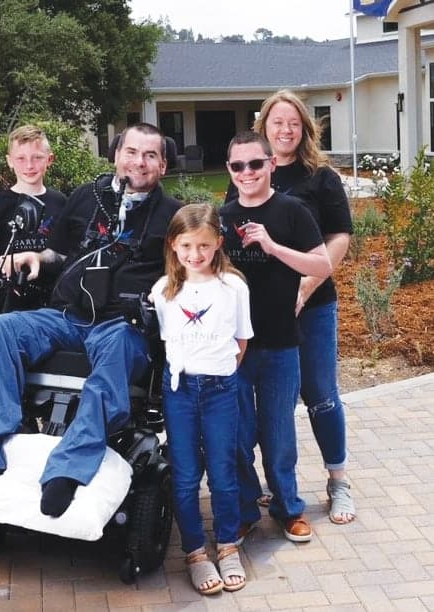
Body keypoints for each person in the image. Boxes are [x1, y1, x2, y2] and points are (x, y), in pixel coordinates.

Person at [0, 123, 181, 517]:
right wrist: (37, 258)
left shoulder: (174, 216)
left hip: (121, 325)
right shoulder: (85, 198)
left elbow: (185, 273)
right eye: (131, 152)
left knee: (121, 345)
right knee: (5, 328)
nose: (138, 162)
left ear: (163, 165)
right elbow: (57, 254)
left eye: (150, 155)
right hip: (68, 317)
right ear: (116, 155)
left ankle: (69, 467)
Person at [226, 89, 355, 525]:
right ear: (264, 130)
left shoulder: (320, 178)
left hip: (313, 304)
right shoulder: (246, 172)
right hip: (261, 315)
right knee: (262, 408)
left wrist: (305, 287)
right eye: (277, 122)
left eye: (293, 123)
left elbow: (339, 238)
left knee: (320, 396)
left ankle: (338, 481)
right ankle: (272, 487)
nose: (285, 130)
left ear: (305, 129)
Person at [220, 131, 332, 543]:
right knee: (236, 434)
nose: (247, 173)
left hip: (282, 343)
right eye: (238, 166)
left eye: (255, 164)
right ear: (230, 171)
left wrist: (272, 245)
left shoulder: (292, 211)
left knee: (279, 434)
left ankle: (288, 508)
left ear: (270, 164)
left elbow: (322, 266)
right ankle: (247, 508)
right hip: (234, 348)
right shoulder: (222, 216)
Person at [149, 203, 253, 595]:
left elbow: (241, 340)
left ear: (218, 244)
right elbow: (165, 342)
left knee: (223, 472)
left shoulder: (233, 286)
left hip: (221, 390)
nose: (196, 255)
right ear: (174, 245)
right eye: (187, 246)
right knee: (186, 474)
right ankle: (195, 551)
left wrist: (220, 371)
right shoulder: (163, 291)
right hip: (180, 391)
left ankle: (227, 545)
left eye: (204, 246)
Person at [0, 125, 66, 322]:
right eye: (21, 158)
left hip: (52, 302)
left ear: (49, 160)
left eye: (37, 157)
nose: (29, 165)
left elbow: (65, 253)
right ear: (10, 161)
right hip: (9, 305)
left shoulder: (61, 202)